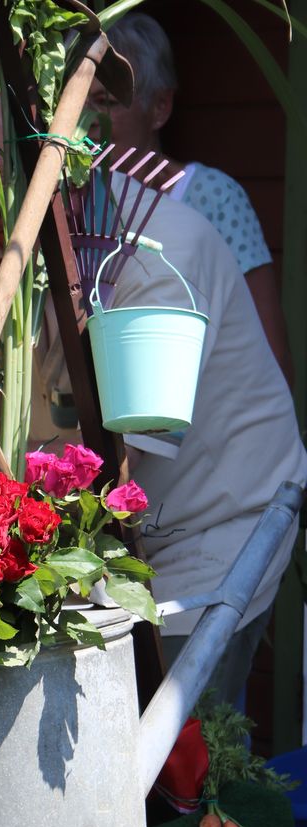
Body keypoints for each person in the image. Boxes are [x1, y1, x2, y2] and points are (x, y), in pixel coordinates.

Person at [99, 182, 306, 701]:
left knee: (187, 733)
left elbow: (122, 457)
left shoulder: (161, 257)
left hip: (218, 531)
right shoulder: (42, 244)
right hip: (138, 536)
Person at [88, 11, 293, 387]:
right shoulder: (79, 204)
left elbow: (272, 360)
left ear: (160, 107)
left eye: (106, 101)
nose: (89, 121)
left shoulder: (214, 198)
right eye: (81, 104)